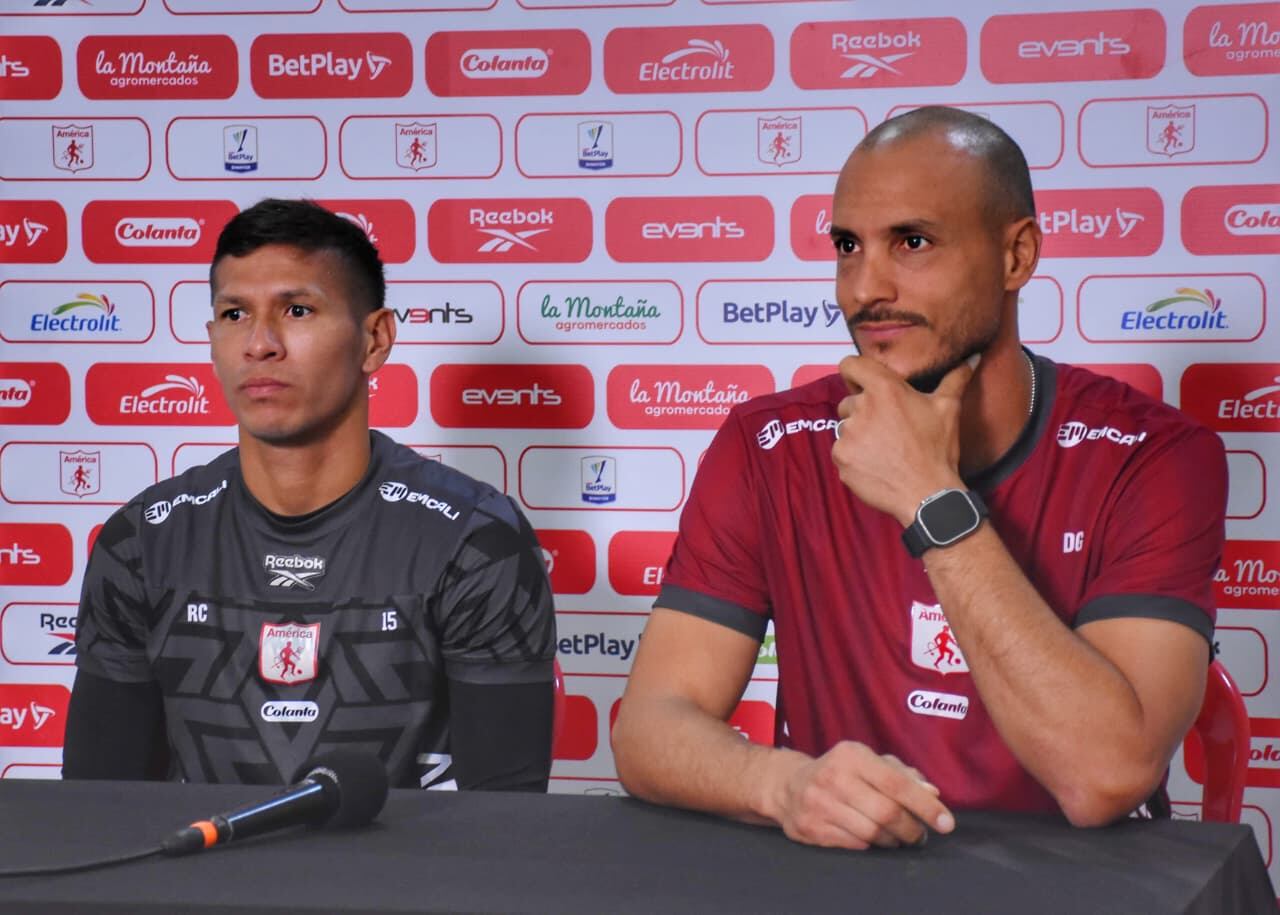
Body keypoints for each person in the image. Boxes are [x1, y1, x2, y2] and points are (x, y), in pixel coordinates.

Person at [611, 106, 1226, 849]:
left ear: (1016, 256)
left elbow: (1105, 774)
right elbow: (648, 726)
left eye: (913, 242)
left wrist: (930, 499)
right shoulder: (769, 444)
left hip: (1079, 890)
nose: (865, 287)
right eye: (847, 245)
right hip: (850, 882)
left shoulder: (1153, 453)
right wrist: (782, 784)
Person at [64, 198, 556, 790]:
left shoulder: (476, 541)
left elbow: (506, 831)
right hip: (189, 884)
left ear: (375, 340)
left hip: (407, 886)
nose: (260, 343)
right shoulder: (143, 540)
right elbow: (98, 810)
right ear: (213, 339)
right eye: (235, 314)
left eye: (297, 310)